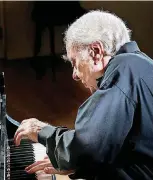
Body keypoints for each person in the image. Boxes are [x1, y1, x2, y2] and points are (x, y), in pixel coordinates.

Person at [14, 10, 153, 180]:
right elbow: (116, 149)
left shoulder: (124, 70)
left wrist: (42, 131)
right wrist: (76, 164)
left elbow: (87, 148)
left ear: (96, 52)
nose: (74, 74)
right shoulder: (140, 64)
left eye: (75, 62)